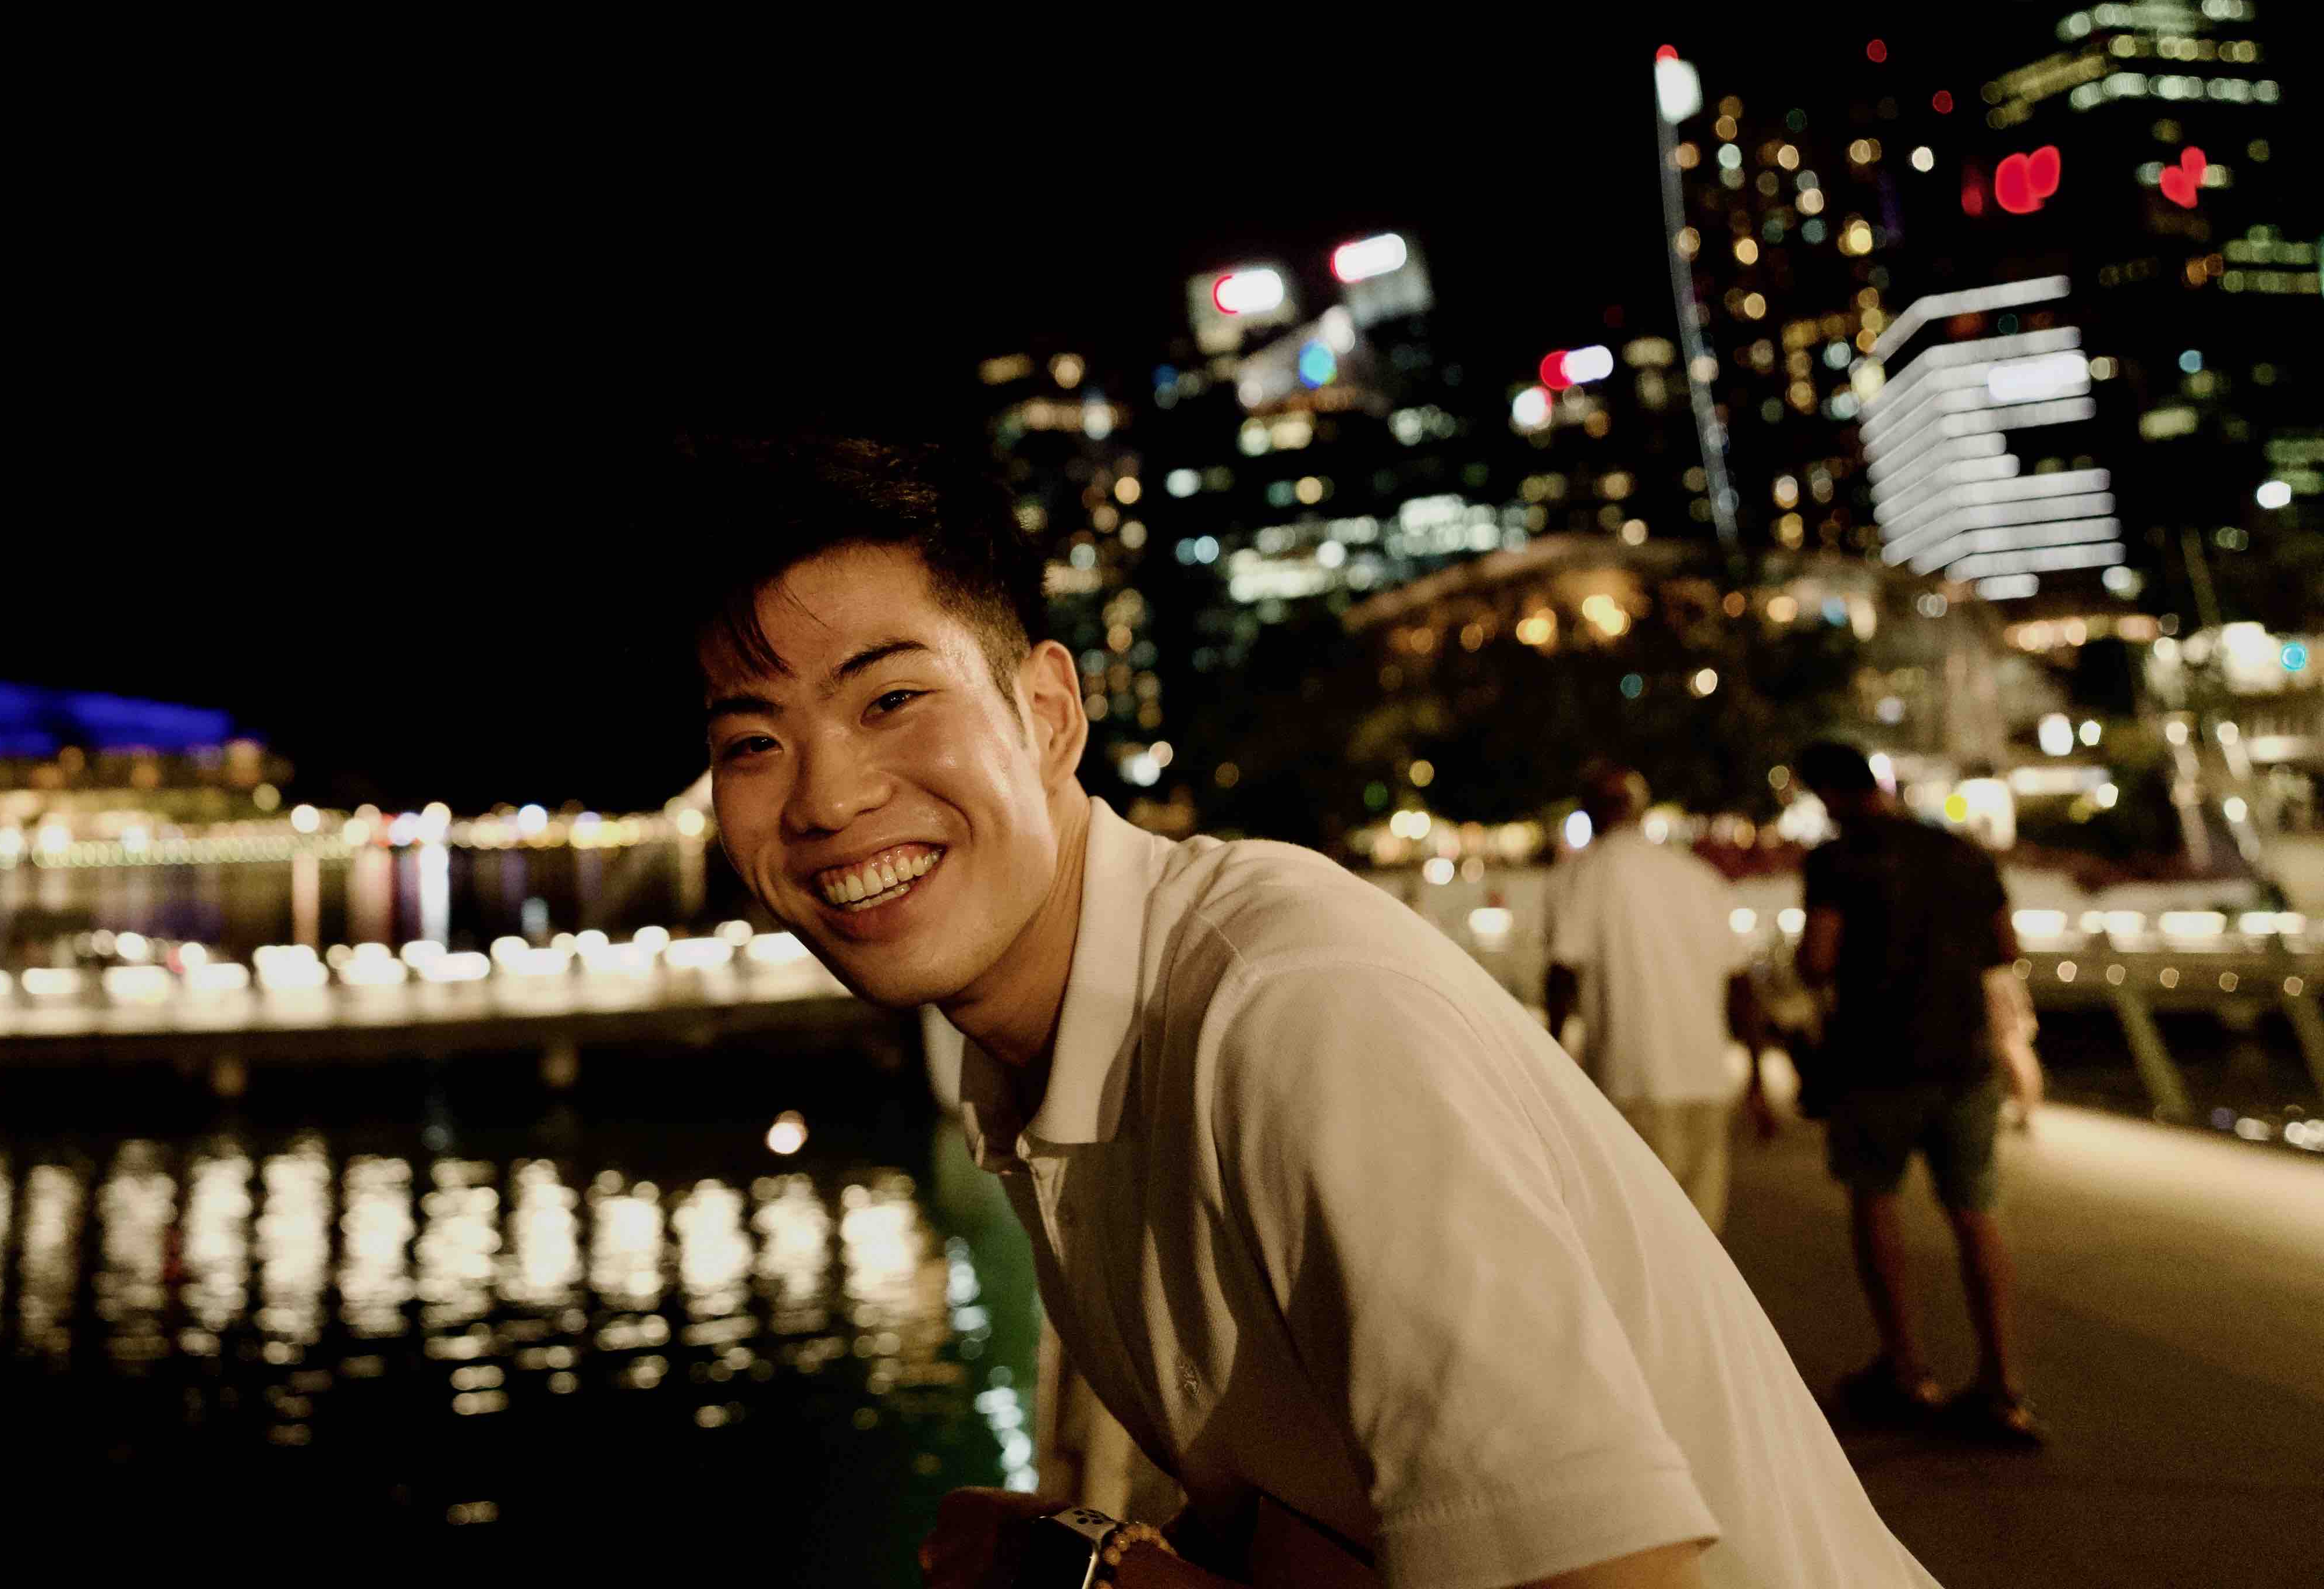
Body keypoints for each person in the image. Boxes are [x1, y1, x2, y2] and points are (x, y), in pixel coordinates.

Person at [682, 440, 1935, 1589]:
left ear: (1050, 713)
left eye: (891, 697)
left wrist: (1097, 1569)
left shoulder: (1288, 1007)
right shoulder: (1052, 1058)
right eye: (753, 740)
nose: (826, 797)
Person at [1789, 738, 2041, 1448]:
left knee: (1877, 1205)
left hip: (1877, 1061)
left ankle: (1907, 1368)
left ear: (1826, 792)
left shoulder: (1839, 859)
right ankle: (2002, 1382)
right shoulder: (1961, 853)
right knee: (1976, 1216)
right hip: (1963, 1058)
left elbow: (1819, 959)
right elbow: (2005, 945)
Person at [1539, 763, 1777, 1233]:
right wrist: (1756, 1080)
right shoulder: (1697, 877)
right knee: (1702, 1245)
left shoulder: (1582, 876)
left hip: (1630, 1081)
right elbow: (1740, 985)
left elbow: (1562, 975)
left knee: (1641, 1242)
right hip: (1705, 1082)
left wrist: (1549, 1064)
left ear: (1588, 808)